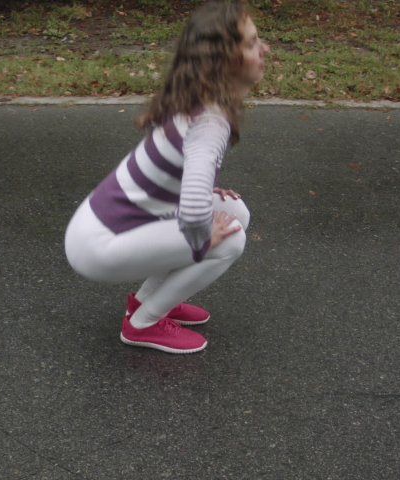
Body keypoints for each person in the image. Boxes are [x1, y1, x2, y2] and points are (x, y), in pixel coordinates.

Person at [64, 1, 270, 354]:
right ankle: (142, 323)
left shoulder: (195, 97)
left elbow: (167, 164)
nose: (264, 48)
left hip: (101, 225)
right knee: (230, 239)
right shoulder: (211, 123)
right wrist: (205, 236)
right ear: (225, 62)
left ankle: (149, 300)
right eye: (252, 44)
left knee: (237, 213)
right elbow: (192, 212)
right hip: (99, 245)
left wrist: (196, 190)